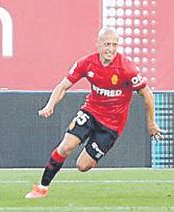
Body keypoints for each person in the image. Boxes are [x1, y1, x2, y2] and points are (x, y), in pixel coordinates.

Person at [26, 29, 161, 198]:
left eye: (114, 45)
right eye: (107, 44)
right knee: (65, 146)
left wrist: (151, 123)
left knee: (82, 166)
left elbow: (147, 94)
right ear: (98, 44)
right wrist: (50, 105)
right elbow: (63, 86)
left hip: (112, 125)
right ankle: (42, 188)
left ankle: (93, 153)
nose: (111, 49)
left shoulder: (127, 69)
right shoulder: (87, 63)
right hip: (91, 112)